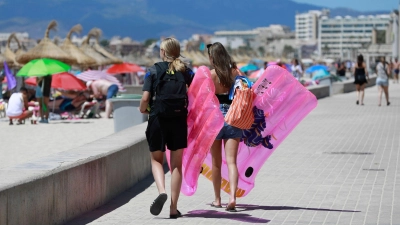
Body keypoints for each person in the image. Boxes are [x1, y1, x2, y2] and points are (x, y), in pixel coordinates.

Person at [139, 37, 194, 218]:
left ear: (163, 52)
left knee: (156, 160)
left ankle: (161, 191)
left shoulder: (153, 70)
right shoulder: (186, 71)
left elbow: (145, 99)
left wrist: (143, 109)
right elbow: (198, 92)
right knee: (176, 164)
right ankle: (173, 207)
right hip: (178, 120)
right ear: (177, 52)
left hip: (158, 119)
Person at [207, 42, 241, 212]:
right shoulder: (235, 73)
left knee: (216, 163)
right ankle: (232, 197)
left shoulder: (210, 75)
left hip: (215, 118)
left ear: (212, 58)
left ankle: (217, 199)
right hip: (234, 116)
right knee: (232, 162)